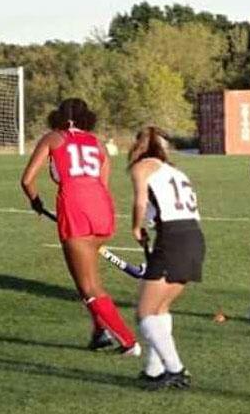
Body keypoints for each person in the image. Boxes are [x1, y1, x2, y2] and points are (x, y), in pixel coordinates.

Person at [20, 98, 141, 355]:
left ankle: (129, 342)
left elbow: (27, 180)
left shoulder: (53, 138)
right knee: (87, 280)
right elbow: (103, 185)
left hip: (75, 211)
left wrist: (36, 202)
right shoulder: (97, 144)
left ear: (58, 117)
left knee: (89, 287)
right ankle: (100, 333)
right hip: (102, 212)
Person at [129, 126, 205, 390]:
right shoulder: (175, 171)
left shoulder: (142, 167)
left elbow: (140, 203)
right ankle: (154, 370)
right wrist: (150, 225)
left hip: (173, 239)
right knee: (160, 308)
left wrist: (136, 227)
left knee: (144, 313)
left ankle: (176, 369)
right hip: (193, 236)